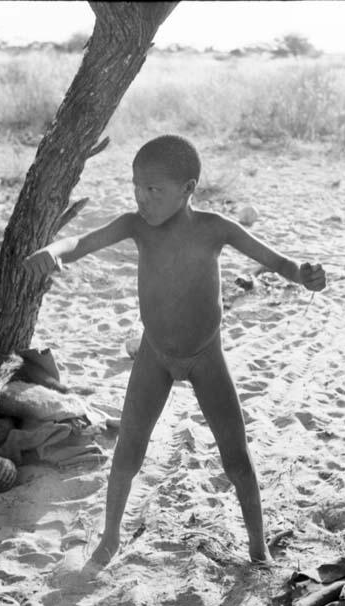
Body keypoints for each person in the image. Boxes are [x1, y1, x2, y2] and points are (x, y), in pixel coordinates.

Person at [24, 134, 326, 566]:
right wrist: (53, 250)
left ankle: (258, 548)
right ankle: (110, 538)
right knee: (129, 447)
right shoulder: (135, 225)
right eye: (136, 187)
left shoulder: (215, 228)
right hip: (155, 355)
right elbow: (82, 244)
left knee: (236, 456)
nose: (141, 198)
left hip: (206, 356)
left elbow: (279, 263)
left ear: (188, 189)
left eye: (153, 190)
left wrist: (304, 274)